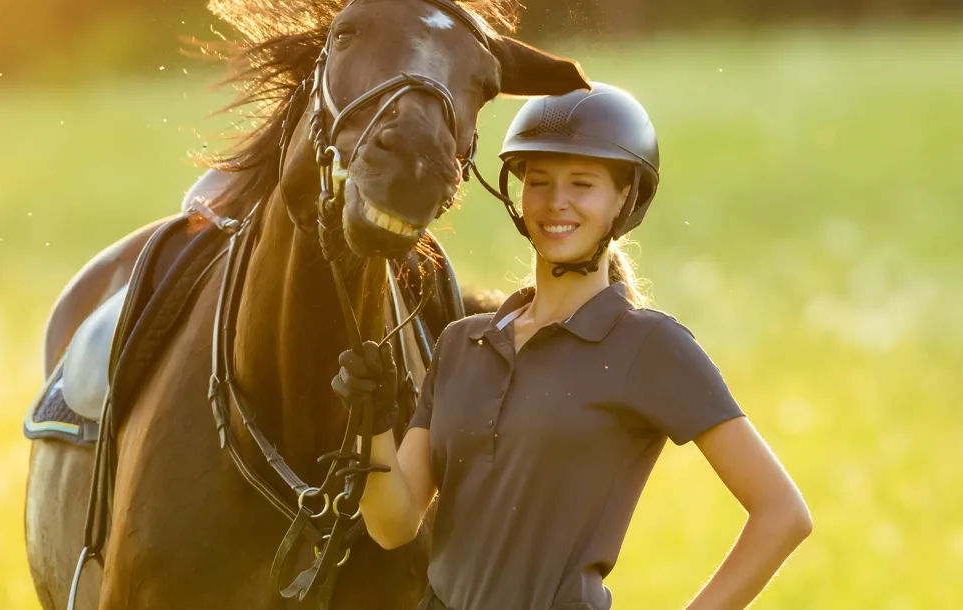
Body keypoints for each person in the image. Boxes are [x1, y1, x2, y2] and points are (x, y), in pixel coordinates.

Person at [332, 83, 812, 610]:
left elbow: (782, 514)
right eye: (539, 182)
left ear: (624, 198)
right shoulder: (460, 343)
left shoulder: (649, 346)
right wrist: (374, 423)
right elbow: (393, 527)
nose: (556, 202)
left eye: (582, 184)